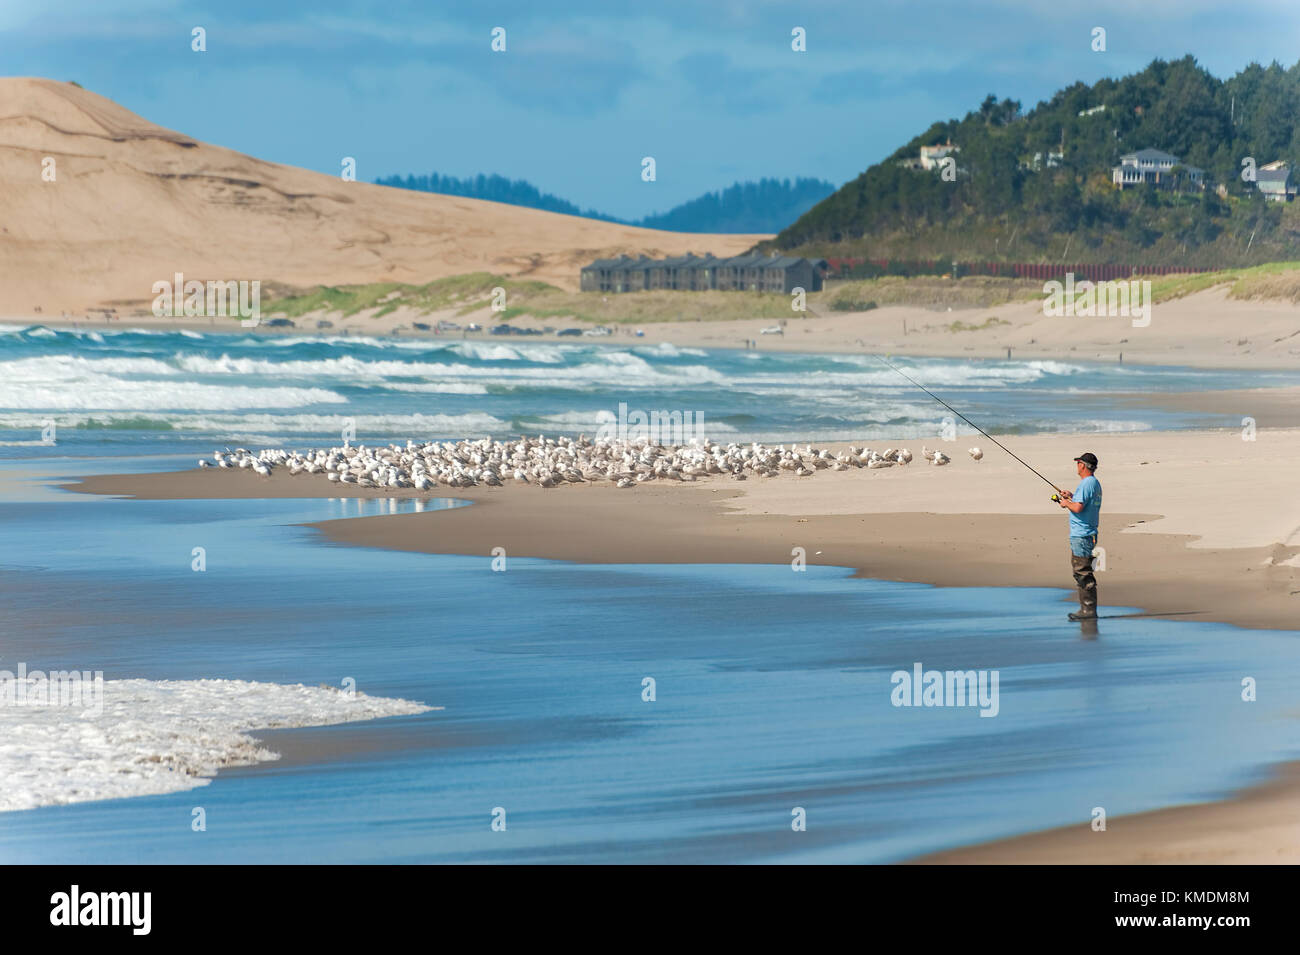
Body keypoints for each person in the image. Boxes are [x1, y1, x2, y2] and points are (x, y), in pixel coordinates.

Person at [1056, 452, 1102, 620]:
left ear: (1082, 465)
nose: (1077, 466)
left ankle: (1088, 610)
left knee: (1082, 572)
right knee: (1082, 571)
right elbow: (1082, 503)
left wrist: (1065, 503)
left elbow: (1078, 508)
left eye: (1078, 463)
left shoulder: (1086, 483)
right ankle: (1087, 609)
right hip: (1088, 533)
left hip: (1082, 534)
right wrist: (1072, 497)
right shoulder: (1094, 483)